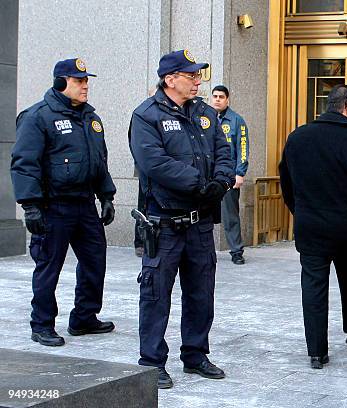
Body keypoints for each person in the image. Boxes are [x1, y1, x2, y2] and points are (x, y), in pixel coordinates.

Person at [129, 49, 234, 389]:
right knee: (156, 293)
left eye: (198, 75)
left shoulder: (205, 113)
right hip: (164, 223)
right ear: (170, 79)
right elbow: (154, 163)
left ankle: (196, 354)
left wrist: (221, 181)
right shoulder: (147, 116)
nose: (198, 81)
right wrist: (200, 185)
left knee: (201, 292)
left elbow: (223, 151)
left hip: (200, 222)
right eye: (191, 76)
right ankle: (152, 361)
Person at [11, 58, 116, 347]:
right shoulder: (37, 117)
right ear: (61, 83)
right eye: (79, 81)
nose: (85, 86)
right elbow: (24, 164)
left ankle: (84, 317)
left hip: (84, 205)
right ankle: (42, 324)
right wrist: (30, 204)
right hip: (53, 207)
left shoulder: (91, 119)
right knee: (48, 267)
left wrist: (106, 196)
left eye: (86, 81)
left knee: (95, 262)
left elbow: (99, 161)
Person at [279, 84, 347, 369]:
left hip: (310, 225)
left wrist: (300, 212)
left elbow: (287, 183)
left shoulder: (297, 137)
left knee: (313, 285)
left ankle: (317, 351)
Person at [211, 85, 249, 265]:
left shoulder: (236, 121)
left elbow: (242, 147)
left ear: (227, 100)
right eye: (215, 96)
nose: (217, 99)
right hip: (208, 176)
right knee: (204, 214)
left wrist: (240, 173)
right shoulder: (206, 119)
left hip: (228, 176)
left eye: (221, 97)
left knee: (230, 214)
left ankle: (236, 251)